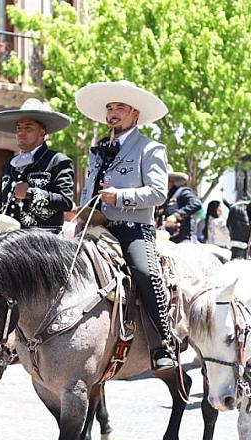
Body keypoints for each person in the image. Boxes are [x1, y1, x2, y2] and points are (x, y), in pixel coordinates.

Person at [76, 80, 176, 371]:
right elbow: (87, 193)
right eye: (110, 108)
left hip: (133, 229)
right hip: (94, 228)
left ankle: (162, 344)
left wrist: (119, 196)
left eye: (120, 107)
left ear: (135, 114)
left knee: (145, 273)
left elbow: (159, 193)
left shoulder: (150, 148)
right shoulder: (98, 151)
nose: (113, 113)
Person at [0, 98, 74, 232]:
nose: (21, 133)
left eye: (28, 128)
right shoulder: (10, 165)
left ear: (42, 131)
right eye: (19, 128)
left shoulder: (58, 161)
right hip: (8, 241)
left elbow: (66, 202)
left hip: (41, 242)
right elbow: (0, 203)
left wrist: (30, 193)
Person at [158, 171, 202, 243]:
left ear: (170, 181)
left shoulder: (182, 191)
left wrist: (176, 215)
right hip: (171, 239)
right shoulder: (167, 197)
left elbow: (196, 203)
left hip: (184, 239)